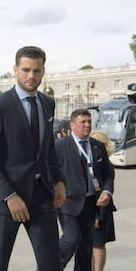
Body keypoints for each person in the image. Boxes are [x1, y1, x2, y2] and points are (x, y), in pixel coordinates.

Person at [0, 45, 66, 271]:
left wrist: (59, 180)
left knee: (51, 264)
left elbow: (49, 149)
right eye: (26, 69)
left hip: (42, 195)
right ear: (15, 69)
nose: (31, 76)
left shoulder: (48, 103)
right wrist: (9, 195)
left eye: (36, 71)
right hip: (8, 198)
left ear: (43, 71)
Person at [56, 109, 114, 270]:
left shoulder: (97, 146)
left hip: (90, 203)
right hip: (68, 202)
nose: (87, 125)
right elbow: (51, 171)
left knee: (86, 246)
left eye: (89, 121)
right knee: (71, 239)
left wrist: (107, 191)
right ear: (72, 125)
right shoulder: (60, 146)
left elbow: (108, 173)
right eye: (83, 122)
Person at [89, 130, 117, 271]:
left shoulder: (103, 167)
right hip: (97, 210)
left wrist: (97, 215)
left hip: (100, 210)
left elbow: (102, 192)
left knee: (98, 243)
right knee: (92, 244)